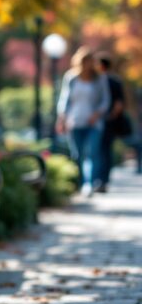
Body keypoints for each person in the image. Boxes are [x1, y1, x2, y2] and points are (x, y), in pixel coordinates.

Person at [56, 47, 110, 196]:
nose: (87, 65)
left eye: (90, 61)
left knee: (92, 153)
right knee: (78, 155)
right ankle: (80, 183)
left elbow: (105, 101)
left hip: (94, 123)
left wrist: (97, 114)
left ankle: (90, 184)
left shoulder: (100, 78)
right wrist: (62, 118)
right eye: (84, 61)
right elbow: (64, 100)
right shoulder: (71, 78)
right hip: (75, 121)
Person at [96, 54, 125, 192]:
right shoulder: (115, 80)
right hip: (108, 121)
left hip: (101, 121)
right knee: (106, 151)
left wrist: (108, 116)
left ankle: (99, 180)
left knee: (99, 150)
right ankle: (103, 180)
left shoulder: (99, 80)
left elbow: (118, 104)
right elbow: (119, 104)